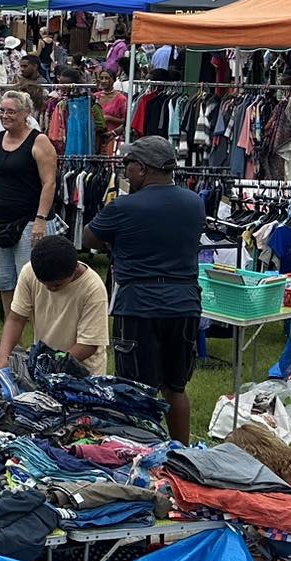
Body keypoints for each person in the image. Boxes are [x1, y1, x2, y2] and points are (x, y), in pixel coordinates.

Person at [87, 136, 205, 441]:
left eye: (128, 166)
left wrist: (119, 239)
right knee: (175, 388)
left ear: (142, 168)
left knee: (136, 390)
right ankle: (181, 452)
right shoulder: (194, 202)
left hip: (139, 304)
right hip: (184, 303)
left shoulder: (125, 206)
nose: (126, 173)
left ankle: (140, 450)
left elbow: (88, 238)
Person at [0, 88, 58, 303]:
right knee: (3, 281)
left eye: (11, 112)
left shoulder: (39, 142)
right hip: (1, 221)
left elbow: (49, 183)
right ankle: (13, 332)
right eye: (2, 111)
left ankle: (37, 330)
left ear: (26, 113)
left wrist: (40, 219)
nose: (5, 116)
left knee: (29, 281)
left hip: (28, 221)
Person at [0, 235, 108, 376]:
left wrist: (51, 365)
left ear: (75, 268)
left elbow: (88, 345)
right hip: (46, 365)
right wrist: (2, 359)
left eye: (57, 285)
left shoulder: (93, 288)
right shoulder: (29, 272)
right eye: (43, 283)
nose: (49, 289)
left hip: (83, 372)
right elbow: (16, 319)